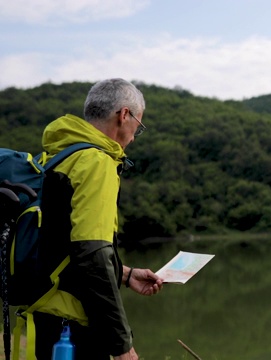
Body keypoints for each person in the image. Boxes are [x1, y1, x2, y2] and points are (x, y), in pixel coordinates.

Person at [33, 78, 163, 360]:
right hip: (74, 328)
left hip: (47, 318)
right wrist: (121, 344)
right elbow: (92, 254)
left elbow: (62, 243)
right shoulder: (97, 162)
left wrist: (125, 274)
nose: (131, 138)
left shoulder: (58, 157)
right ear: (124, 115)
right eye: (137, 129)